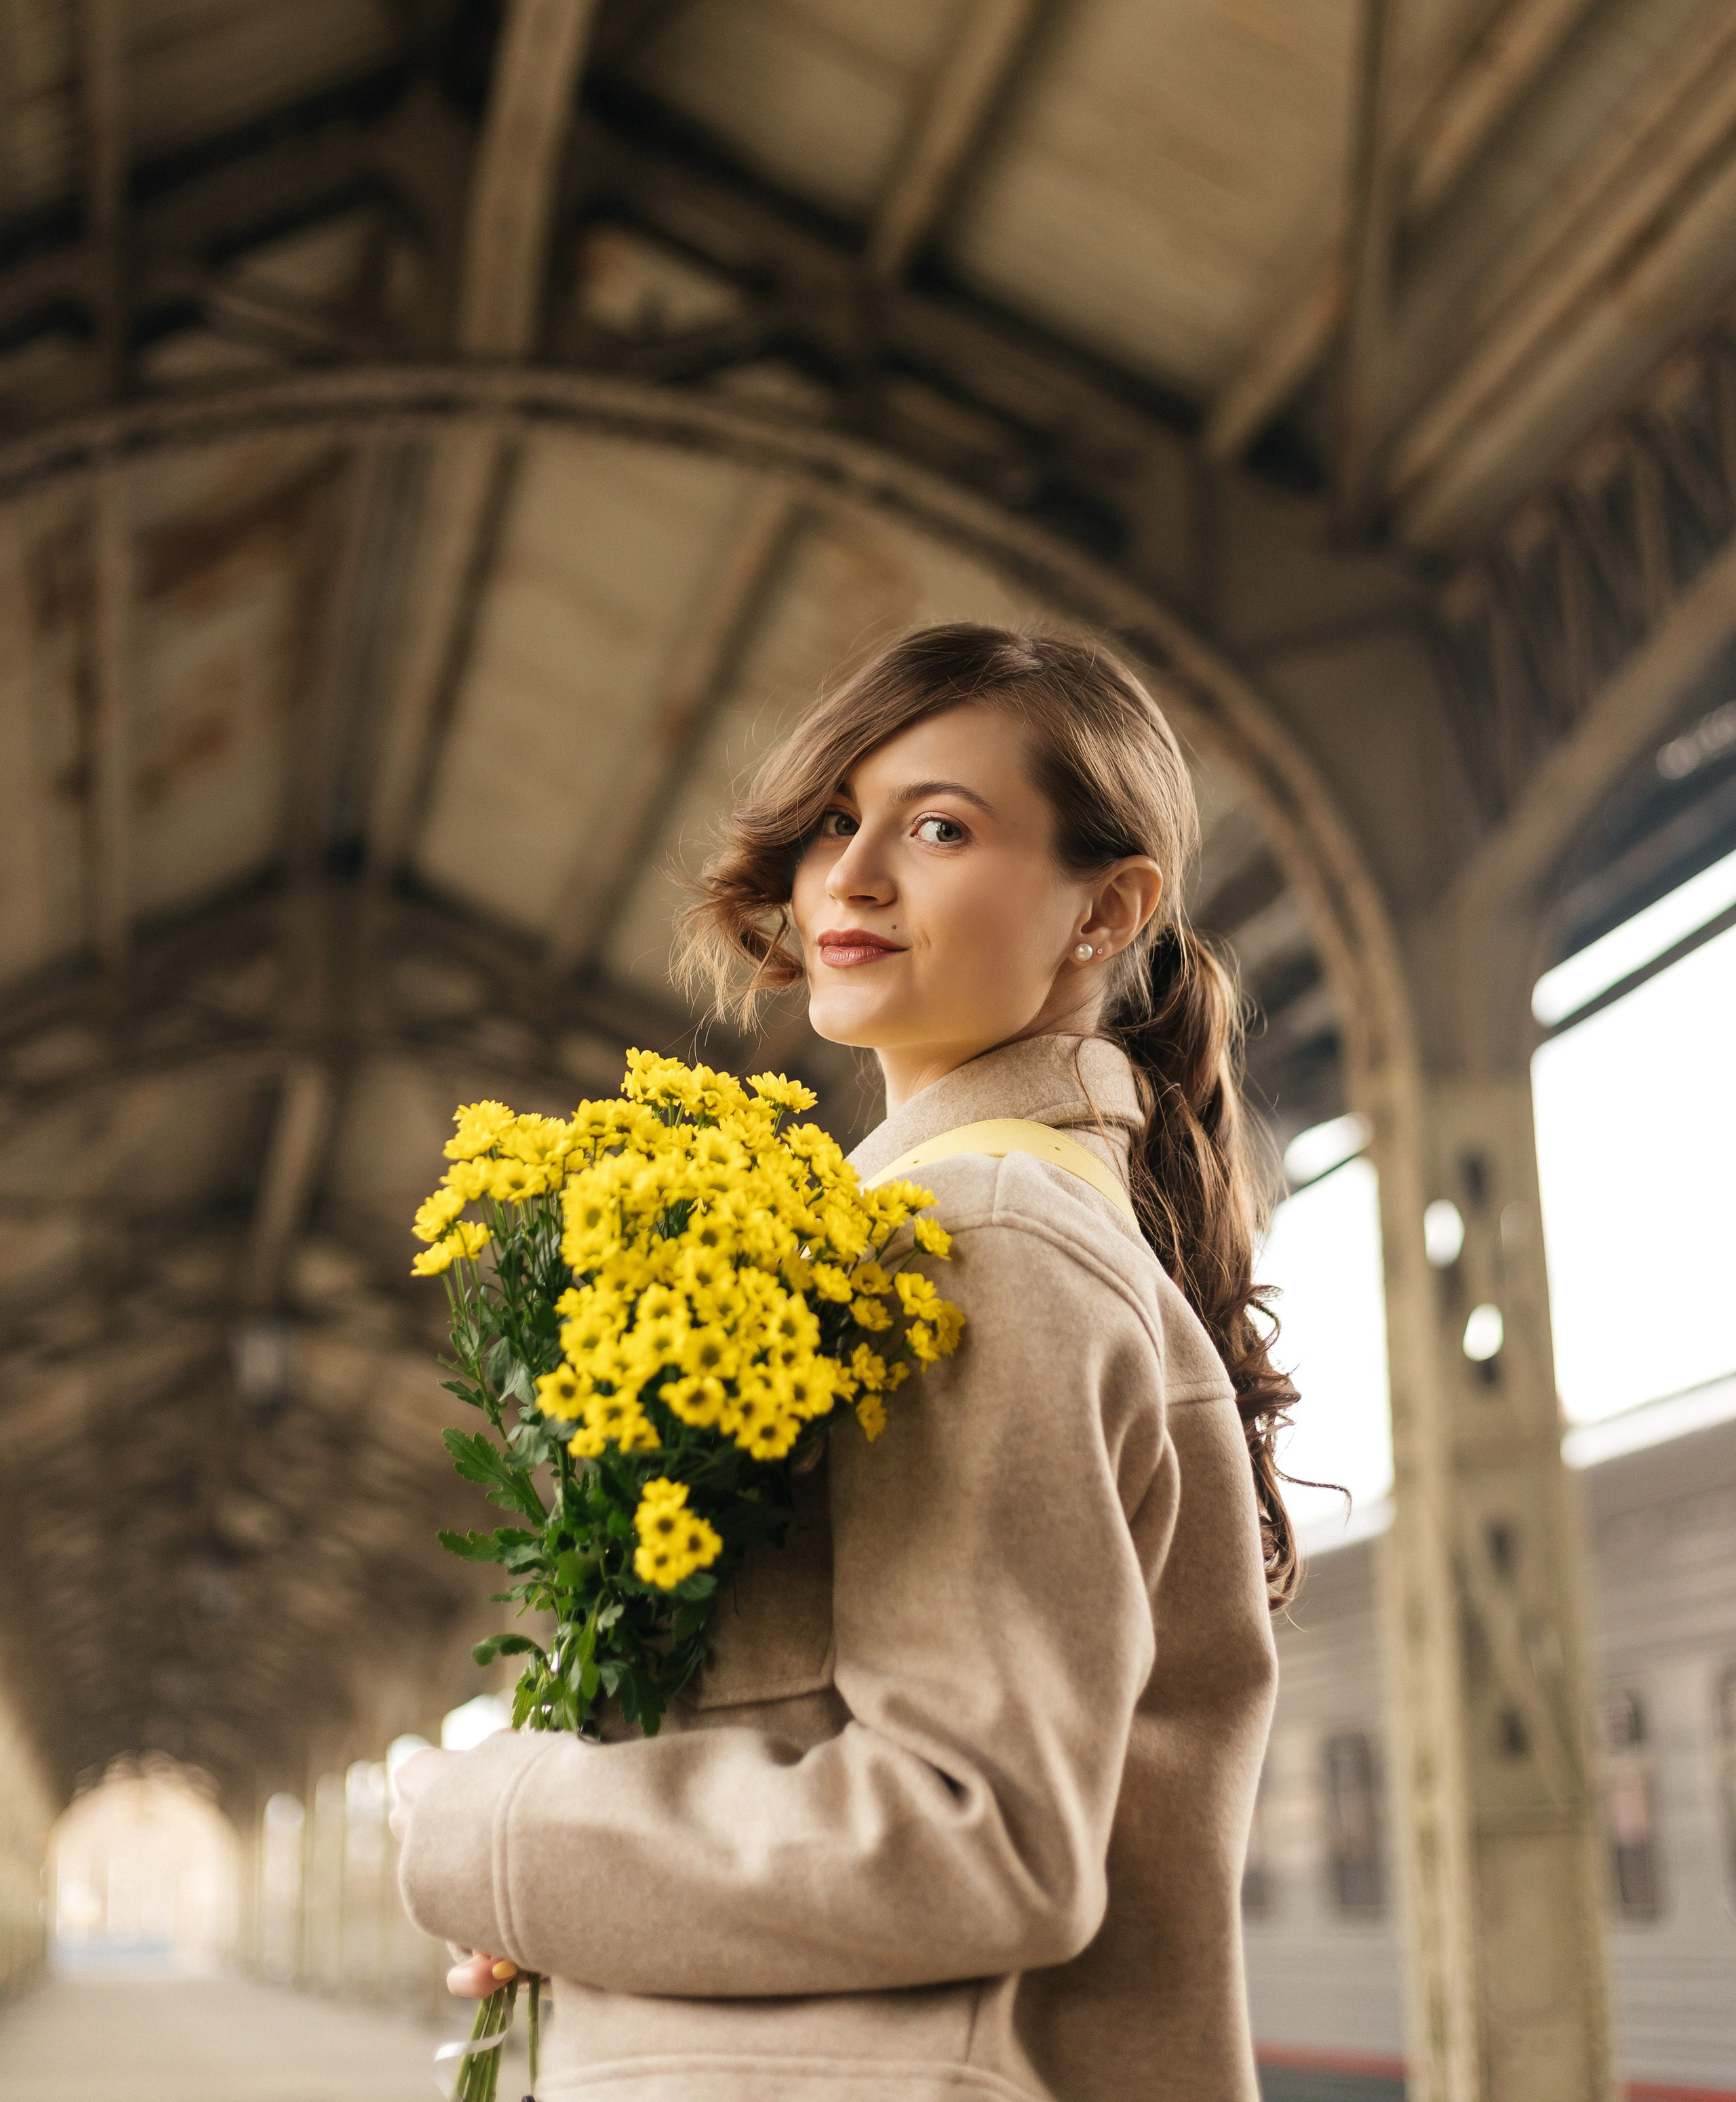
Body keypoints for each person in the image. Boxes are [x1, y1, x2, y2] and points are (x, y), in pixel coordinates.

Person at [395, 622, 1295, 2102]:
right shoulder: (931, 1229)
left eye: (938, 828)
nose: (850, 877)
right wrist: (575, 1893)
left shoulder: (978, 1237)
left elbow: (975, 1832)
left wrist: (492, 1826)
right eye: (831, 822)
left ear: (1104, 909)